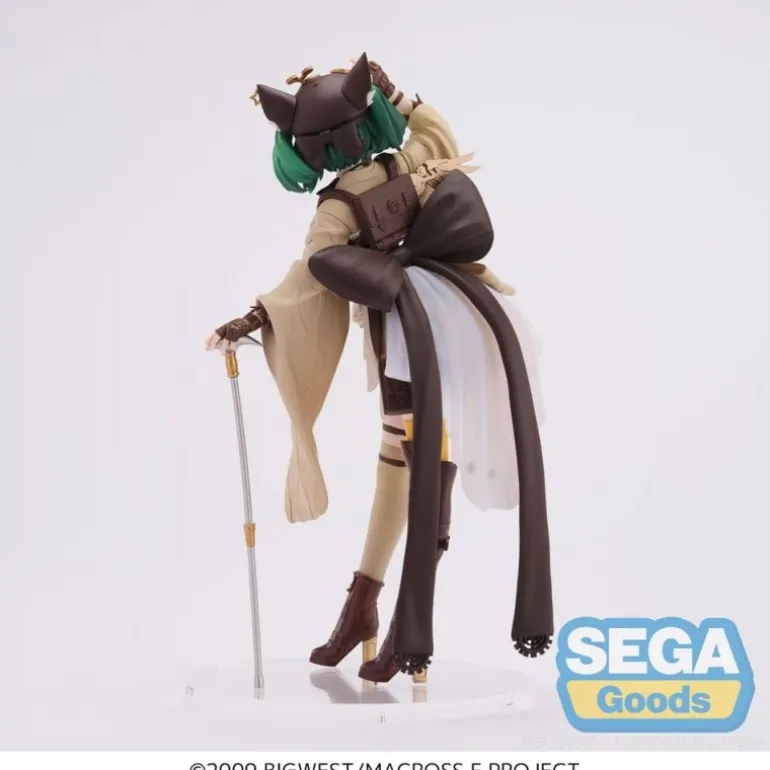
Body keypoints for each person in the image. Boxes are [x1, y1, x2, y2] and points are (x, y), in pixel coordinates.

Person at [206, 54, 553, 683]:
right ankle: (365, 605)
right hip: (466, 317)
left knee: (417, 460)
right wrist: (400, 95)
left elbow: (308, 277)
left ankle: (406, 626)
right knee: (404, 459)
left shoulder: (338, 207)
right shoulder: (410, 161)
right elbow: (437, 131)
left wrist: (257, 316)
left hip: (415, 331)